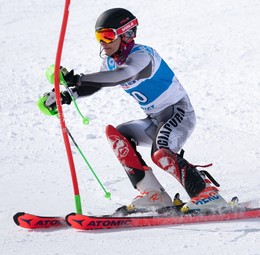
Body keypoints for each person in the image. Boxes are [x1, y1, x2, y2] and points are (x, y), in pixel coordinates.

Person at [41, 8, 228, 213]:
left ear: (127, 34)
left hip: (178, 113)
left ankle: (206, 194)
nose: (102, 43)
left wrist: (77, 78)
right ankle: (153, 194)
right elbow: (96, 84)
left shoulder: (143, 56)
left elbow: (123, 75)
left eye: (107, 36)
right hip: (156, 119)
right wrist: (67, 95)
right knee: (118, 134)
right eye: (99, 37)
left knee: (161, 153)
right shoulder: (110, 61)